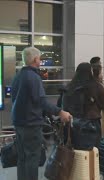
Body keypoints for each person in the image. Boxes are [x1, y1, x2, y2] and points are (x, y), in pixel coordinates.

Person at [11, 47, 73, 180]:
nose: (40, 61)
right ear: (35, 60)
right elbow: (41, 100)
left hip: (18, 122)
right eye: (39, 58)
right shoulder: (33, 77)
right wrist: (60, 112)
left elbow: (14, 98)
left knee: (22, 158)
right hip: (31, 124)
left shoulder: (19, 75)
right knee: (33, 157)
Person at [64, 62, 104, 147]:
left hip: (73, 123)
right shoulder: (96, 86)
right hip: (91, 124)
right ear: (90, 72)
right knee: (92, 151)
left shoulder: (70, 87)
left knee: (76, 150)